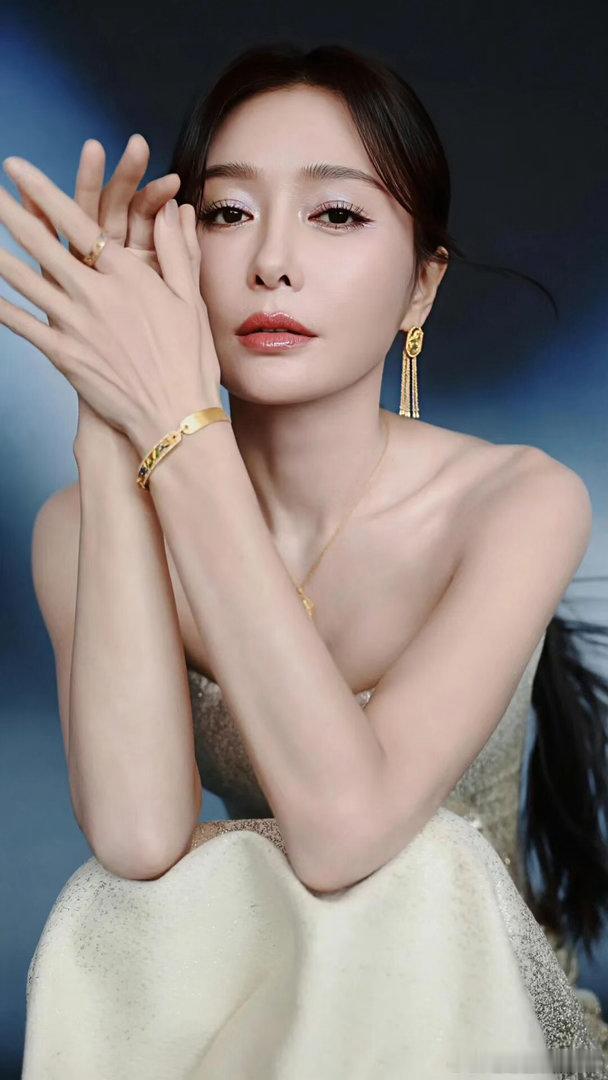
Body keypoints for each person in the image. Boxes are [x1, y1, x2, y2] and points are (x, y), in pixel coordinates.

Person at [8, 41, 606, 1078]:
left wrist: (177, 424)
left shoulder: (518, 502)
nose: (271, 262)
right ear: (174, 259)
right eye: (228, 213)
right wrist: (111, 431)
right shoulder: (79, 526)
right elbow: (138, 841)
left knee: (413, 866)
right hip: (260, 1004)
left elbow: (344, 835)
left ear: (420, 289)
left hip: (457, 1019)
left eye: (334, 214)